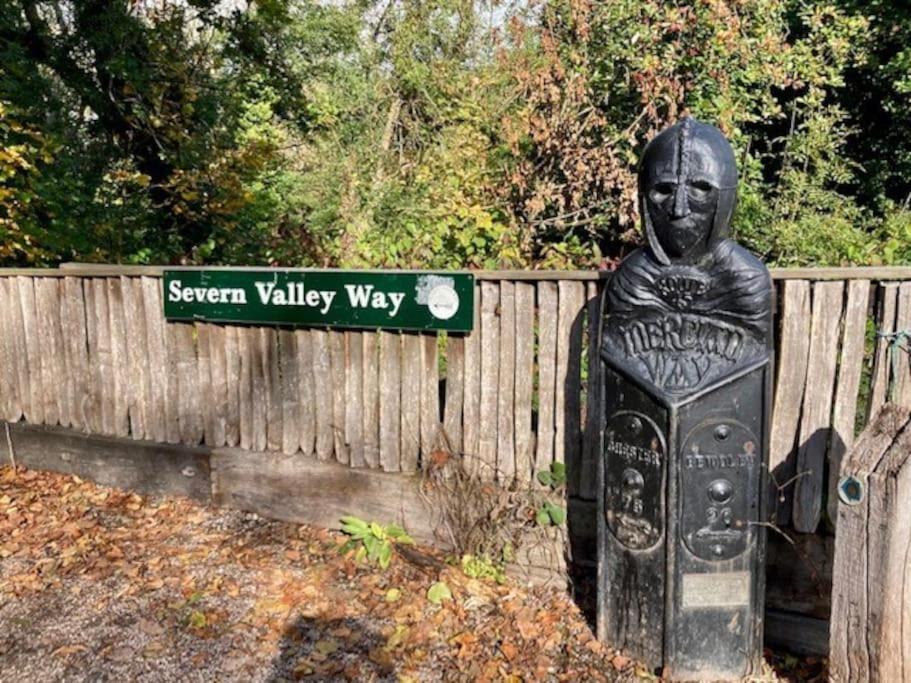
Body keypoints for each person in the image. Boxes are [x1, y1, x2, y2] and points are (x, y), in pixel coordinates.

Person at [602, 117, 772, 394]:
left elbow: (750, 377)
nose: (679, 209)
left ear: (725, 195)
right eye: (663, 191)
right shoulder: (633, 278)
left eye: (700, 189)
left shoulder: (745, 280)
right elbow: (620, 374)